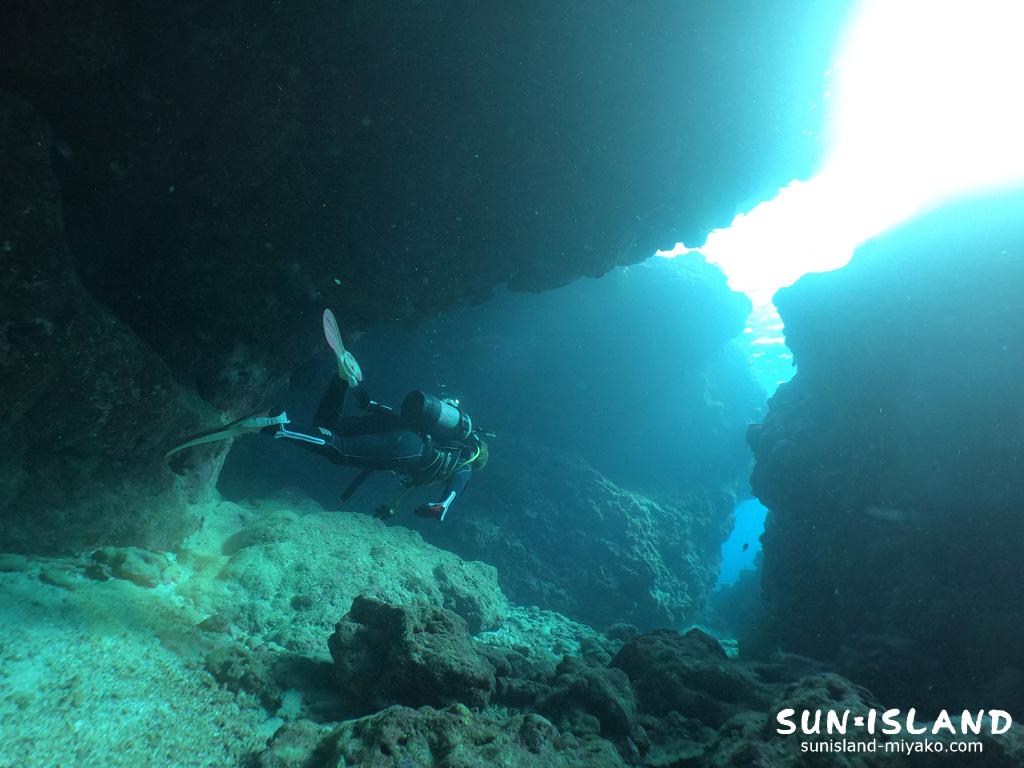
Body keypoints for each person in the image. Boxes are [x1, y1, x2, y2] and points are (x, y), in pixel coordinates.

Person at [166, 309, 489, 521]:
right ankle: (276, 427)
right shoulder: (465, 465)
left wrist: (356, 388)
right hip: (409, 451)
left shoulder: (436, 434)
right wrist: (443, 507)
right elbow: (457, 487)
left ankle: (341, 379)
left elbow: (373, 408)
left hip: (404, 435)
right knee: (336, 450)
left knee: (327, 427)